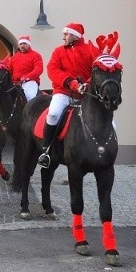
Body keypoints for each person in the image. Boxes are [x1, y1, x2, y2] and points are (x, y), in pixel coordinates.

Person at [38, 23, 95, 168]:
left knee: (106, 118)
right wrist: (71, 83)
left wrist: (87, 84)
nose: (63, 37)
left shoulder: (90, 50)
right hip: (63, 92)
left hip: (86, 95)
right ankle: (46, 151)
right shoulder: (58, 51)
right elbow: (52, 70)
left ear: (75, 35)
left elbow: (96, 71)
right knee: (53, 115)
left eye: (66, 34)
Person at [8, 35, 43, 101]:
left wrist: (27, 77)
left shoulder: (36, 55)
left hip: (30, 82)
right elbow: (9, 71)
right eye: (20, 44)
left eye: (24, 43)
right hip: (15, 83)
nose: (22, 45)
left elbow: (39, 69)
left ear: (29, 45)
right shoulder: (13, 58)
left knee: (30, 97)